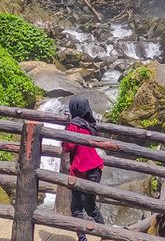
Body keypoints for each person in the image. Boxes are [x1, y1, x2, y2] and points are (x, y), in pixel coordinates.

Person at [62, 96, 106, 241]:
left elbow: (68, 146)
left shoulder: (73, 126)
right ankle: (105, 234)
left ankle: (83, 239)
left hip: (81, 170)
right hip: (96, 169)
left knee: (77, 207)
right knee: (90, 206)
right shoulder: (90, 124)